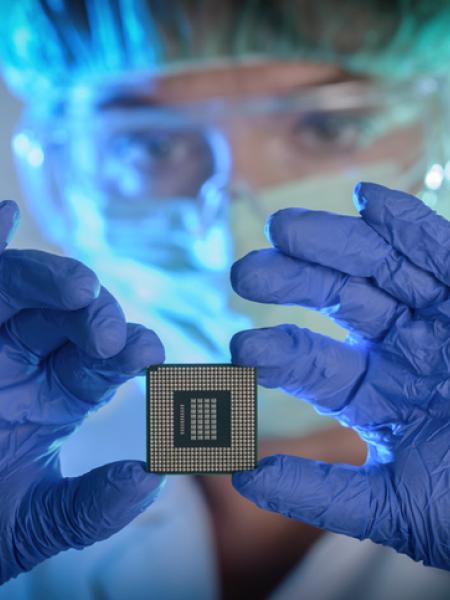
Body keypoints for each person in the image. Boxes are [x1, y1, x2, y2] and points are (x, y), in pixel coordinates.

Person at [0, 1, 450, 598]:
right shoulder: (19, 487)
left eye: (329, 127)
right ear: (60, 174)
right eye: (150, 147)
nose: (231, 233)